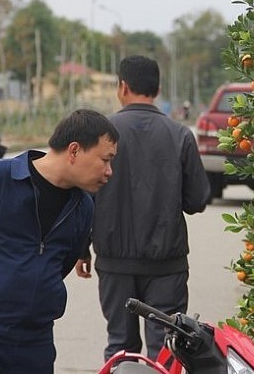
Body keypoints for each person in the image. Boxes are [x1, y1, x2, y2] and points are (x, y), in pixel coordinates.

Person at [0, 109, 119, 374]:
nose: (109, 171)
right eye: (105, 160)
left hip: (34, 339)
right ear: (75, 150)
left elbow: (61, 264)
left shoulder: (82, 207)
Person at [81, 55, 211, 361]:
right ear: (158, 88)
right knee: (166, 349)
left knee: (120, 347)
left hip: (114, 263)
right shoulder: (180, 135)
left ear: (122, 87)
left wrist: (80, 248)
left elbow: (85, 197)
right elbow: (197, 200)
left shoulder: (101, 134)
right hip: (166, 265)